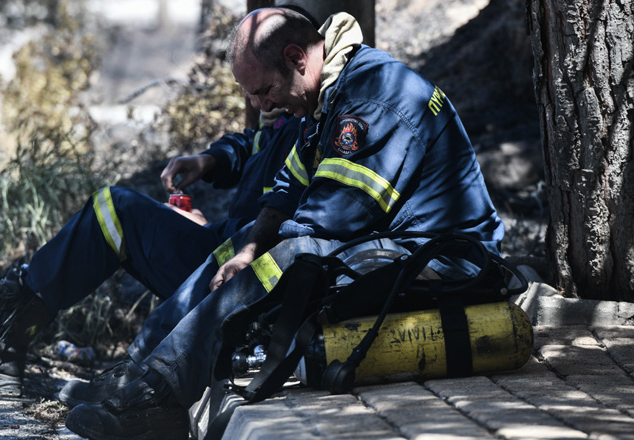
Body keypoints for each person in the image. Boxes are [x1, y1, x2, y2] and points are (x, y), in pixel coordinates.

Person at [62, 7, 505, 440]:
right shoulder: (329, 94)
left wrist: (263, 261)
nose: (261, 106)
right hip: (393, 247)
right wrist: (249, 251)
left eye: (265, 90)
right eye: (251, 95)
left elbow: (332, 218)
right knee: (248, 246)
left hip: (447, 265)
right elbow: (286, 189)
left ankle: (160, 400)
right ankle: (142, 372)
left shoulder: (373, 101)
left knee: (294, 255)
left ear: (297, 59)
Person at [0, 108, 301, 398]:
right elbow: (256, 143)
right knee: (111, 210)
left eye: (261, 87)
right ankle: (4, 343)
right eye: (246, 88)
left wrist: (218, 237)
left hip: (244, 269)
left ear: (295, 62)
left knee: (119, 208)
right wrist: (209, 159)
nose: (254, 97)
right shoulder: (286, 111)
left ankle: (124, 378)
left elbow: (286, 218)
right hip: (225, 242)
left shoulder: (320, 118)